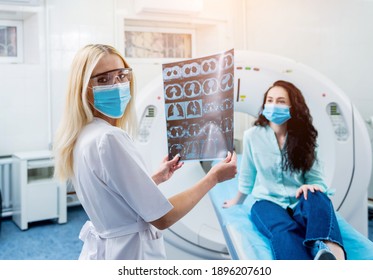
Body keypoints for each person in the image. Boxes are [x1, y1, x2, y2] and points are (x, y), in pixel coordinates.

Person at [53, 44, 237, 260]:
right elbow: (163, 218)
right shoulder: (109, 138)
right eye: (103, 80)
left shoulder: (82, 135)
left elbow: (112, 196)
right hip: (130, 253)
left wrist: (154, 179)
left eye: (122, 76)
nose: (118, 85)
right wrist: (213, 177)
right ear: (83, 88)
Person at [223, 80, 346, 260]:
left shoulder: (305, 138)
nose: (273, 105)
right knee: (284, 229)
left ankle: (331, 255)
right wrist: (236, 201)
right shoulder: (252, 136)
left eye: (280, 101)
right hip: (267, 202)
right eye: (270, 100)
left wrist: (311, 186)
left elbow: (316, 178)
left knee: (318, 196)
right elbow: (248, 176)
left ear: (292, 106)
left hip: (299, 199)